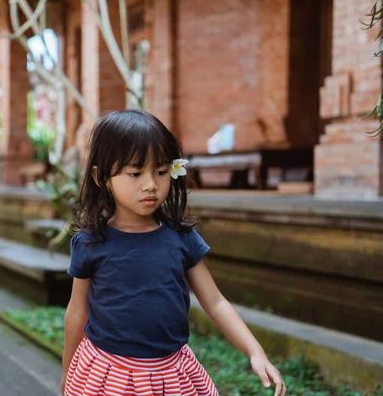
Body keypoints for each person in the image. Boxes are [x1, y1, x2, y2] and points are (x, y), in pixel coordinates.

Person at [60, 110, 287, 396]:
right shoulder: (91, 242)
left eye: (161, 171)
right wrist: (68, 369)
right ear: (101, 177)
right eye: (135, 173)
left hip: (172, 374)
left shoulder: (181, 239)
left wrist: (255, 352)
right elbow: (77, 311)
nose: (151, 185)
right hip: (108, 374)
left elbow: (215, 302)